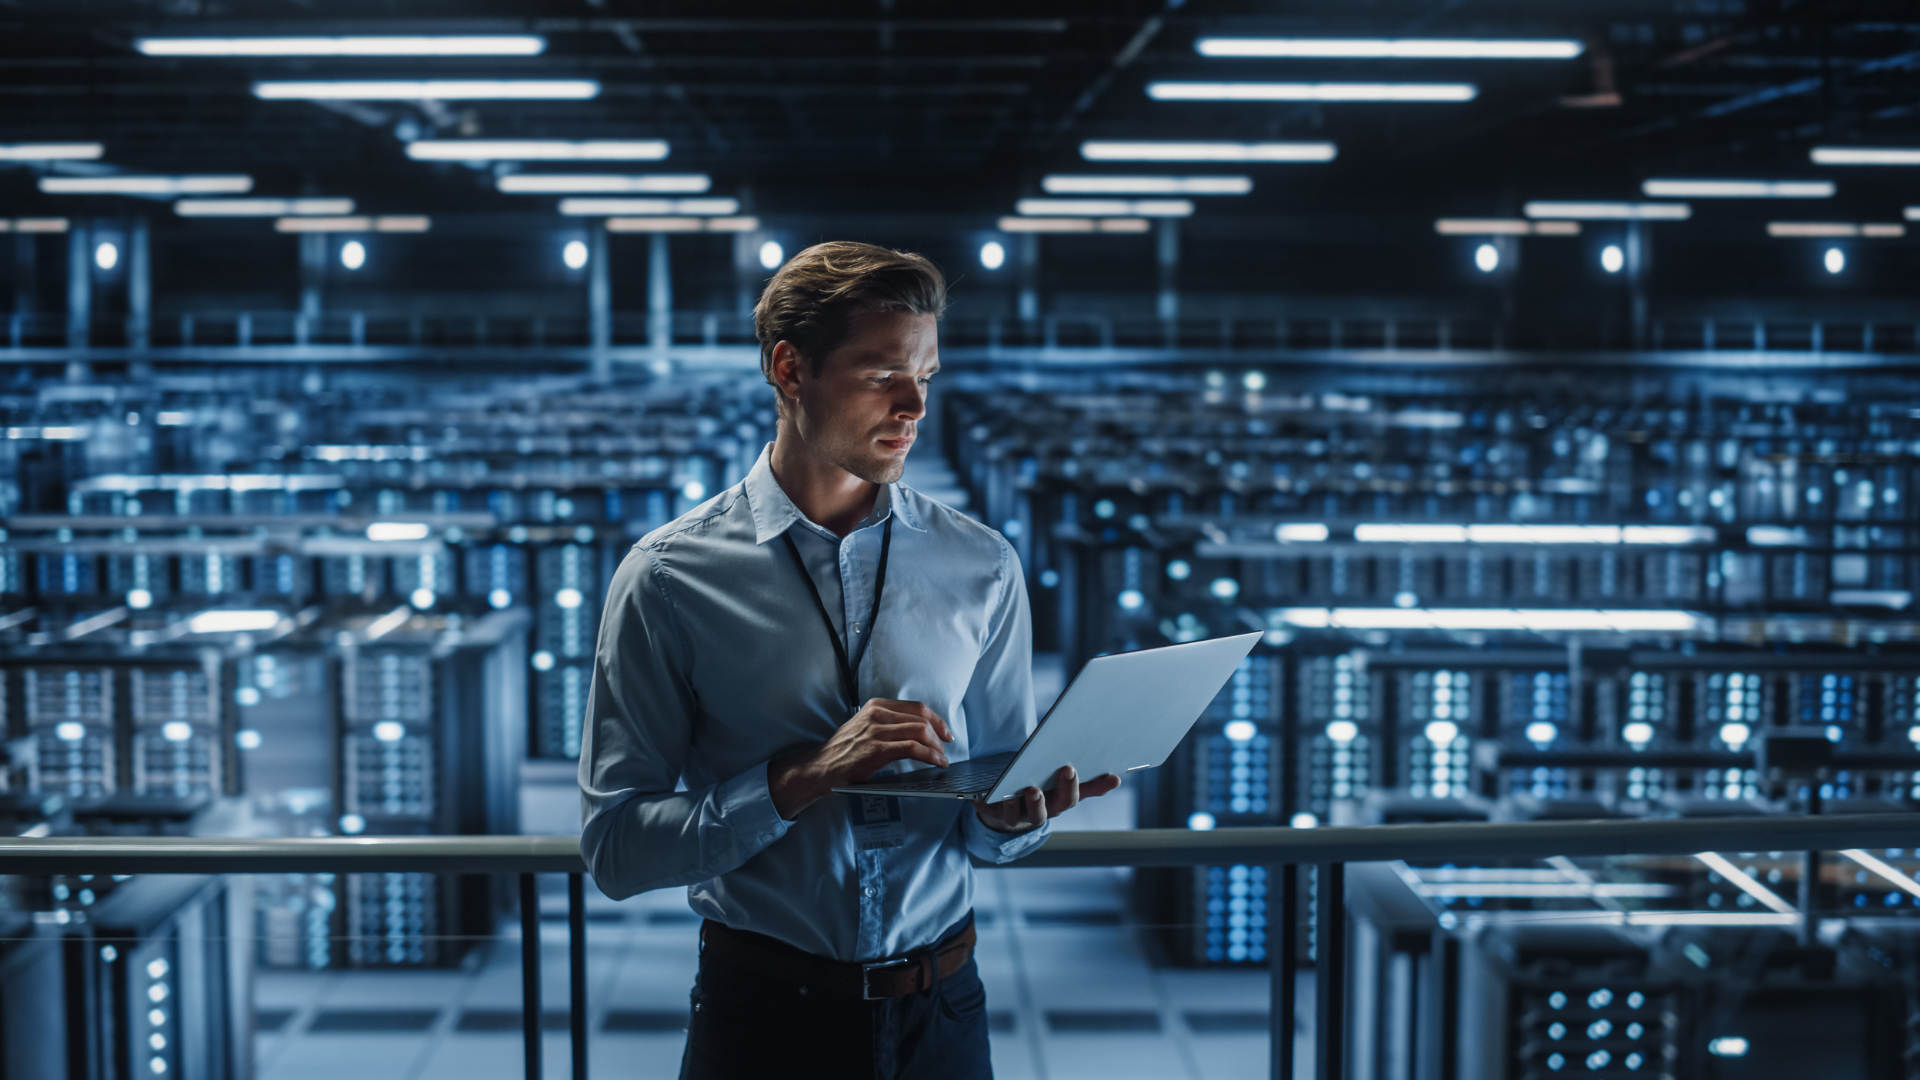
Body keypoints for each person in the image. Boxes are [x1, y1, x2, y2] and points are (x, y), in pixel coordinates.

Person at [578, 240, 1120, 1079]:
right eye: (881, 376)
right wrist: (802, 778)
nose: (914, 406)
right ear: (790, 370)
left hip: (943, 1012)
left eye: (927, 378)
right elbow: (615, 848)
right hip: (762, 1021)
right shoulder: (670, 577)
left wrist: (1014, 822)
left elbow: (996, 811)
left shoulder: (981, 564)